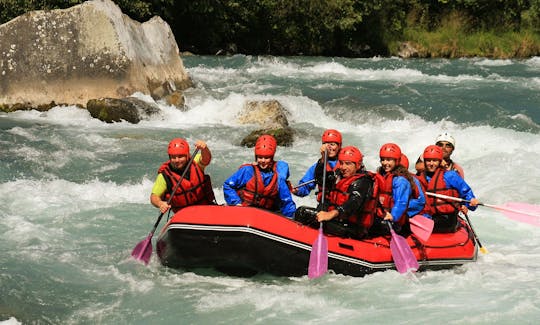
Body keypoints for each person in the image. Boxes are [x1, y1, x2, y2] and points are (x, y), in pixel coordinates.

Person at [294, 146, 376, 239]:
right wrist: (323, 160)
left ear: (357, 165)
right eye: (341, 163)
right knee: (303, 212)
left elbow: (353, 204)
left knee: (303, 213)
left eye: (348, 164)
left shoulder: (363, 182)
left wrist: (331, 214)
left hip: (352, 228)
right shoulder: (339, 175)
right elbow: (321, 179)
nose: (343, 167)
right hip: (338, 220)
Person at [223, 134, 296, 218]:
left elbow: (285, 199)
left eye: (266, 158)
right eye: (260, 157)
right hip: (245, 211)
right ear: (256, 157)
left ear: (272, 158)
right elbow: (228, 185)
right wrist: (236, 203)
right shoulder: (248, 171)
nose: (263, 161)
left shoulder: (278, 174)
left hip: (265, 214)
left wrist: (290, 217)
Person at [417, 145, 479, 233]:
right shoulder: (420, 178)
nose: (431, 164)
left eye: (434, 161)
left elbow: (466, 192)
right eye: (428, 161)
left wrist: (471, 201)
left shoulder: (450, 176)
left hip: (446, 219)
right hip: (428, 216)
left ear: (440, 161)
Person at [150, 138, 215, 214]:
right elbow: (154, 197)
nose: (177, 160)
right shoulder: (164, 176)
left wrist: (204, 149)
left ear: (187, 156)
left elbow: (206, 159)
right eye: (173, 157)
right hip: (183, 215)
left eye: (180, 156)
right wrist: (160, 204)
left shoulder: (195, 161)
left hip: (205, 208)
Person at [369, 143, 415, 237]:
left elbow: (401, 202)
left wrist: (393, 215)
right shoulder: (381, 175)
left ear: (397, 161)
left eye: (389, 160)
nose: (385, 163)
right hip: (381, 215)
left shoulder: (400, 181)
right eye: (383, 160)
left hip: (394, 222)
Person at [292, 129, 342, 206]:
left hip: (343, 206)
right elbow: (305, 186)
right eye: (326, 144)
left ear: (339, 146)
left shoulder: (347, 164)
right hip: (325, 205)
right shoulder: (317, 166)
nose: (329, 148)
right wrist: (297, 190)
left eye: (332, 144)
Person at [400, 153, 427, 219]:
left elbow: (421, 201)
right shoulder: (384, 178)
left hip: (411, 215)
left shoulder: (414, 180)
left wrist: (398, 206)